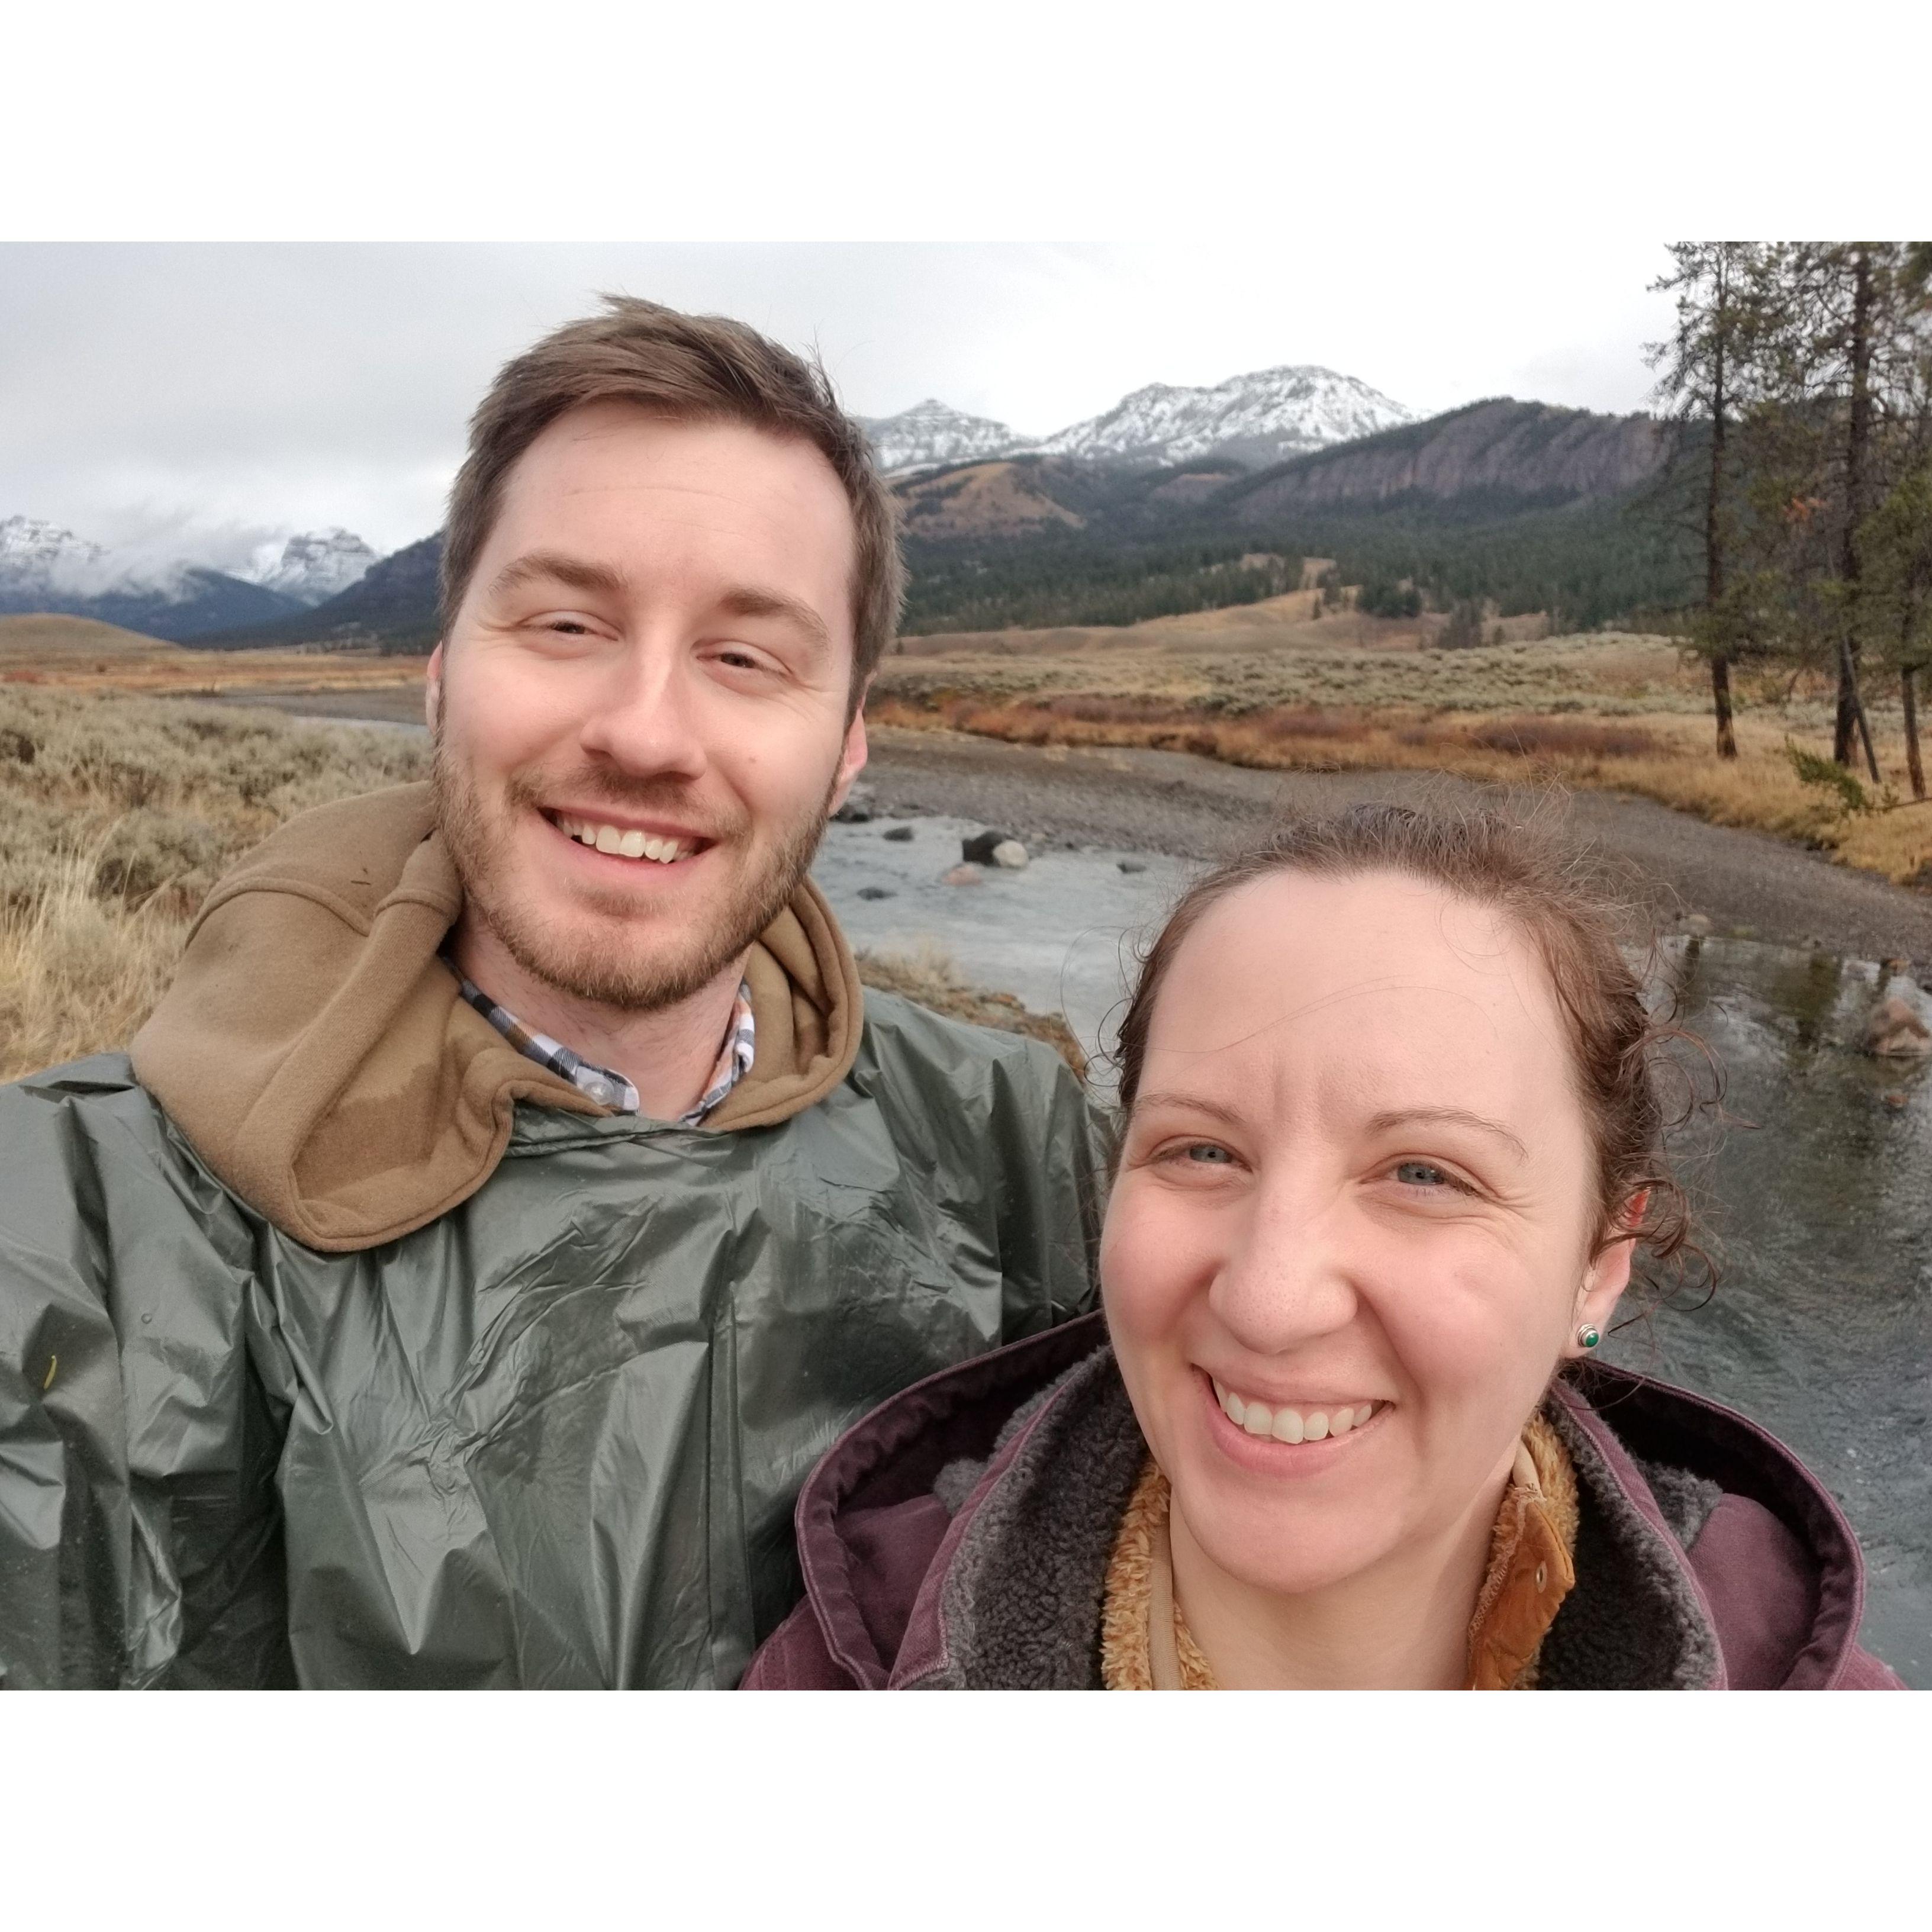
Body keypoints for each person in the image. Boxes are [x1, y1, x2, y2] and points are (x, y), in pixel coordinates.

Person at [0, 298, 1103, 1689]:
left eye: (746, 656)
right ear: (445, 676)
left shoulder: (1013, 1147)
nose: (645, 733)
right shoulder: (79, 1229)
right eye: (569, 622)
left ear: (846, 747)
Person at [745, 806, 1903, 1689]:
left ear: (1599, 1266)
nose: (1270, 1297)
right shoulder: (851, 1658)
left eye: (1423, 1175)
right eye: (1203, 1152)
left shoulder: (1797, 1688)